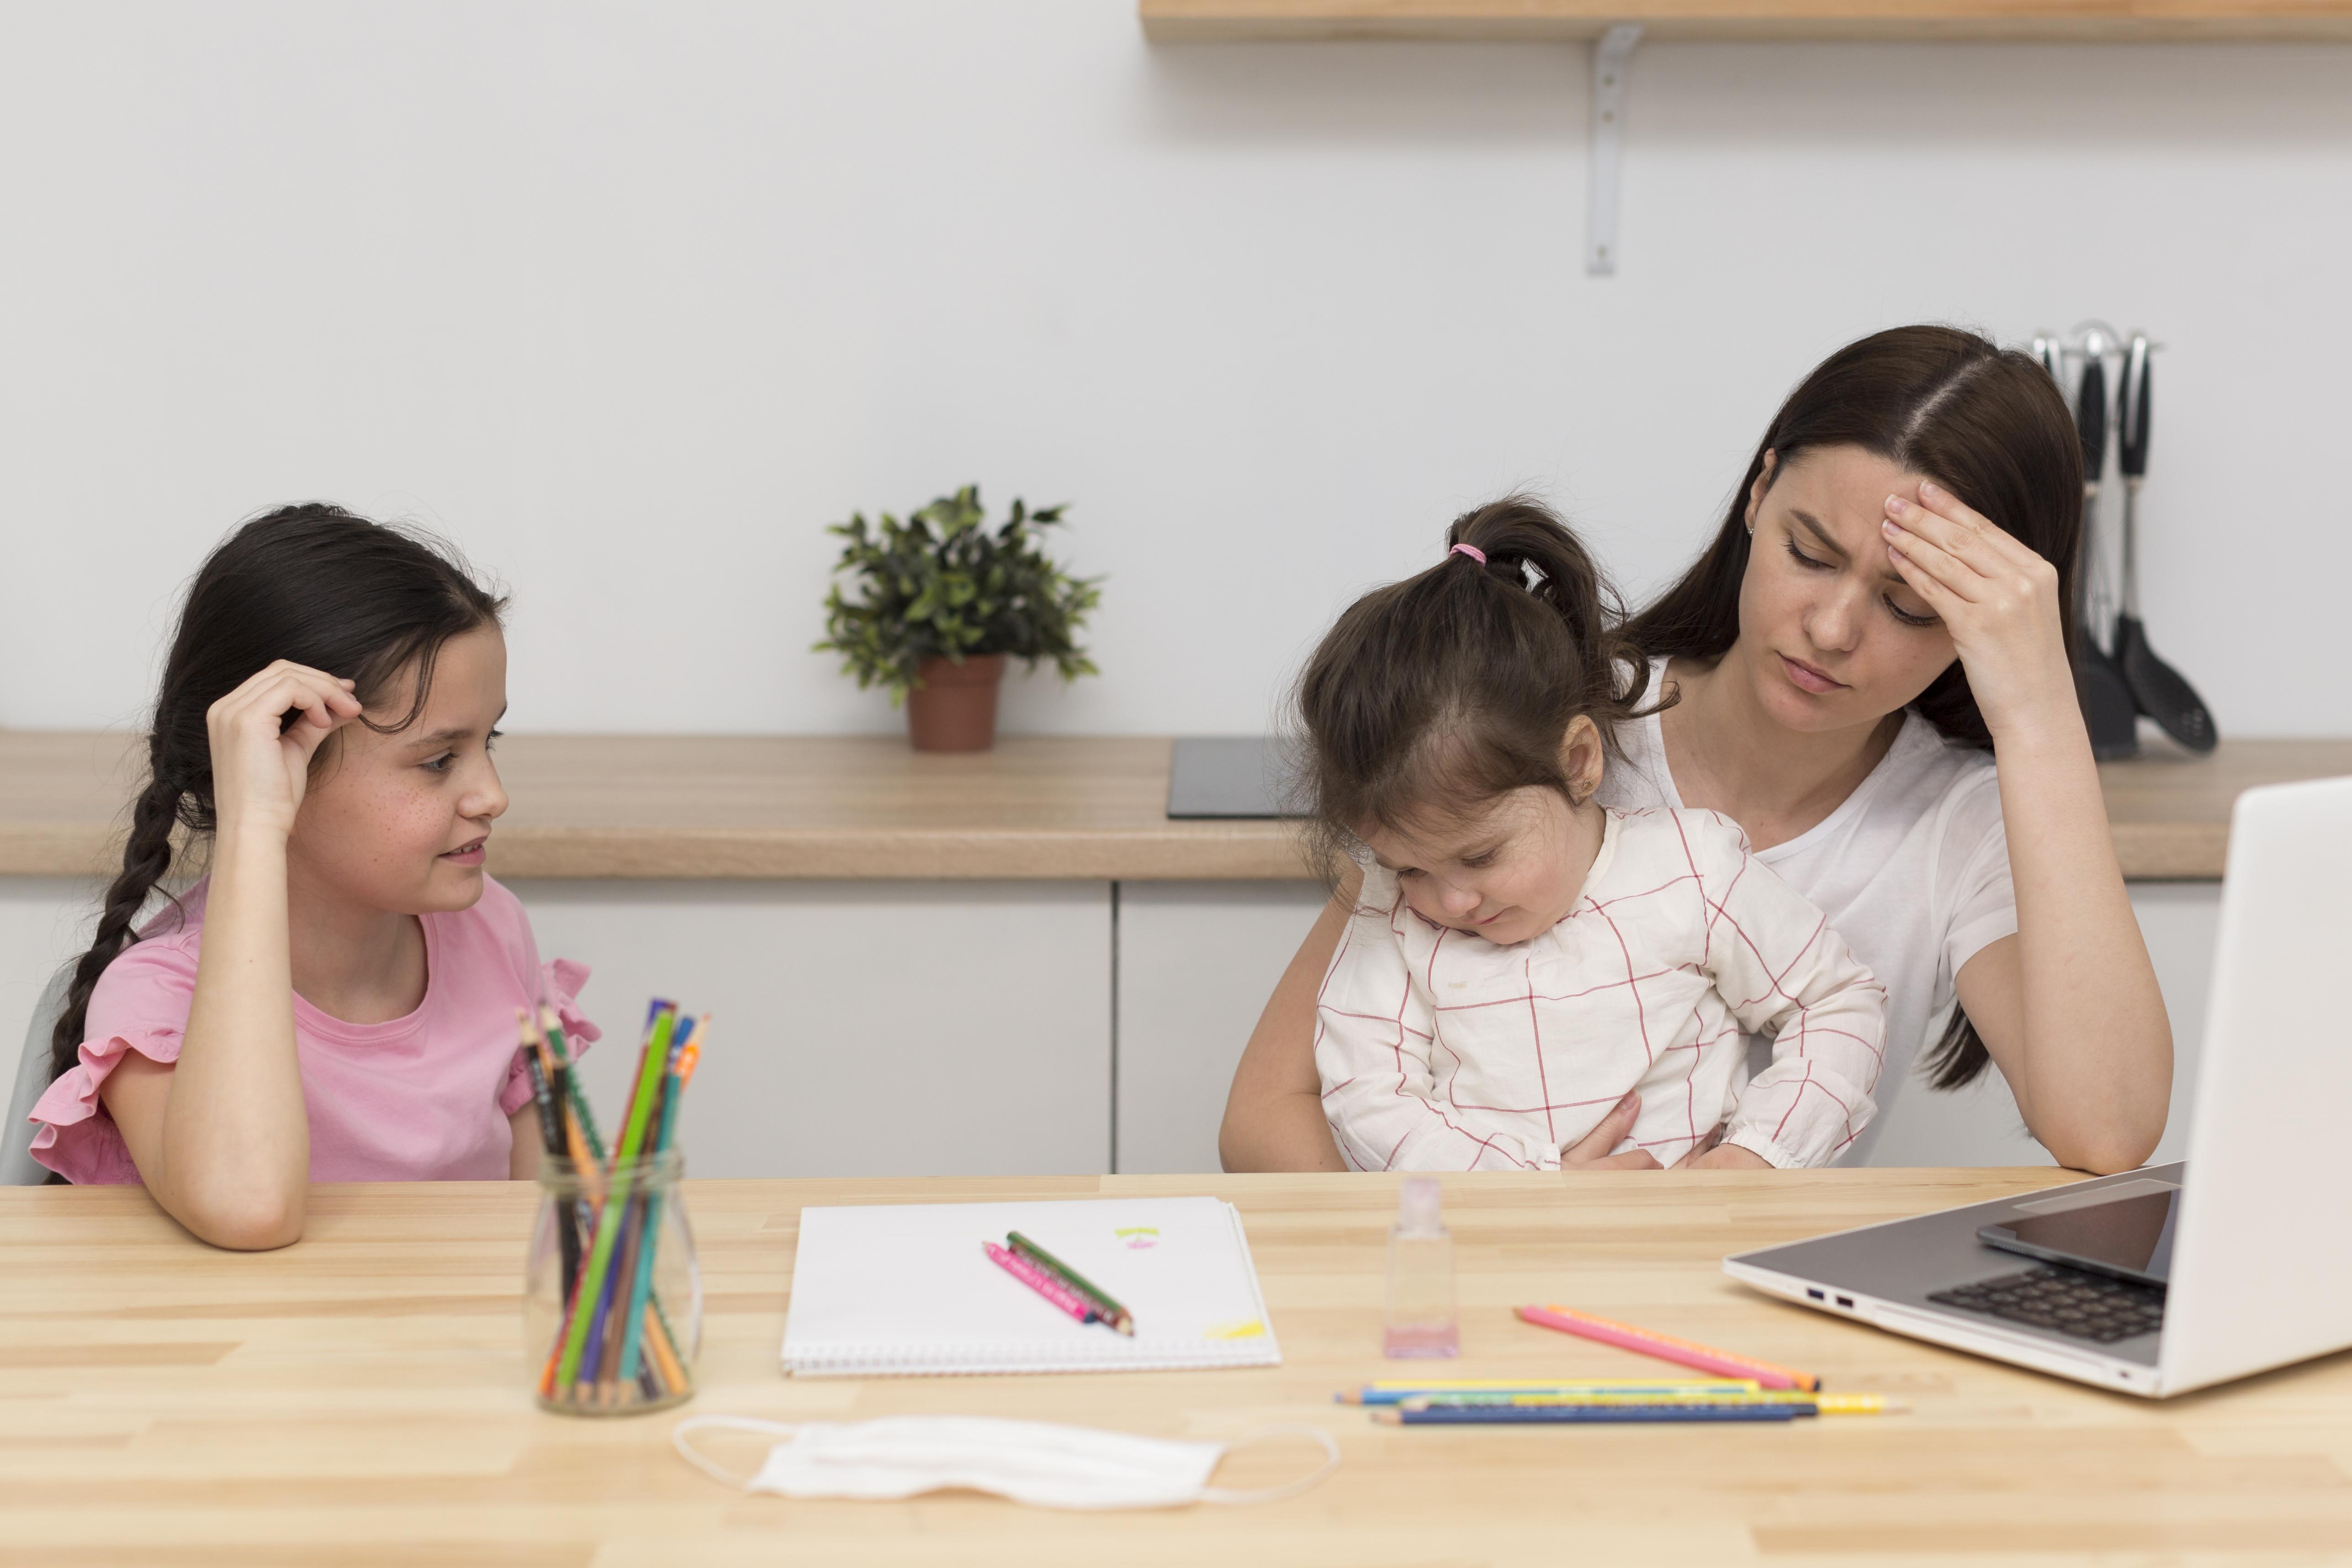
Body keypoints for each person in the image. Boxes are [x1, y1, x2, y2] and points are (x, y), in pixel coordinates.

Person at [1222, 324, 2171, 1176]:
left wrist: (2044, 711)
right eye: (1809, 553)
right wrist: (1480, 1228)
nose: (1833, 629)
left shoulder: (1956, 824)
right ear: (1758, 494)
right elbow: (1267, 1115)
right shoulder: (1542, 728)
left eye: (1907, 604)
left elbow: (2107, 1132)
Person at [27, 505, 598, 1248]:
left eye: (487, 741)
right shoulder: (158, 999)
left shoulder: (492, 928)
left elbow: (560, 1218)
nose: (493, 794)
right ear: (275, 763)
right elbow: (248, 1207)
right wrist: (256, 827)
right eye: (436, 760)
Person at [1304, 499, 1887, 1172]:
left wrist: (1755, 1155)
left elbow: (1838, 1002)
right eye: (1409, 867)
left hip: (1680, 1252)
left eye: (1479, 855)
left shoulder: (1691, 871)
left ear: (1578, 763)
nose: (1451, 901)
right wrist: (1531, 1191)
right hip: (1493, 1254)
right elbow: (1366, 1096)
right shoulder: (1393, 914)